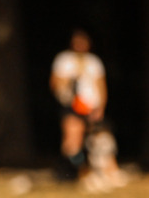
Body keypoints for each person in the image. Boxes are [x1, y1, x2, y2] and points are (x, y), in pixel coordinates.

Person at [49, 29, 126, 189]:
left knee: (101, 139)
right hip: (72, 106)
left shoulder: (93, 62)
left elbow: (101, 85)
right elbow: (55, 83)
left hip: (91, 106)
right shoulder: (64, 60)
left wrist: (100, 107)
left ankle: (109, 172)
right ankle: (78, 173)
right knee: (72, 140)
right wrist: (67, 88)